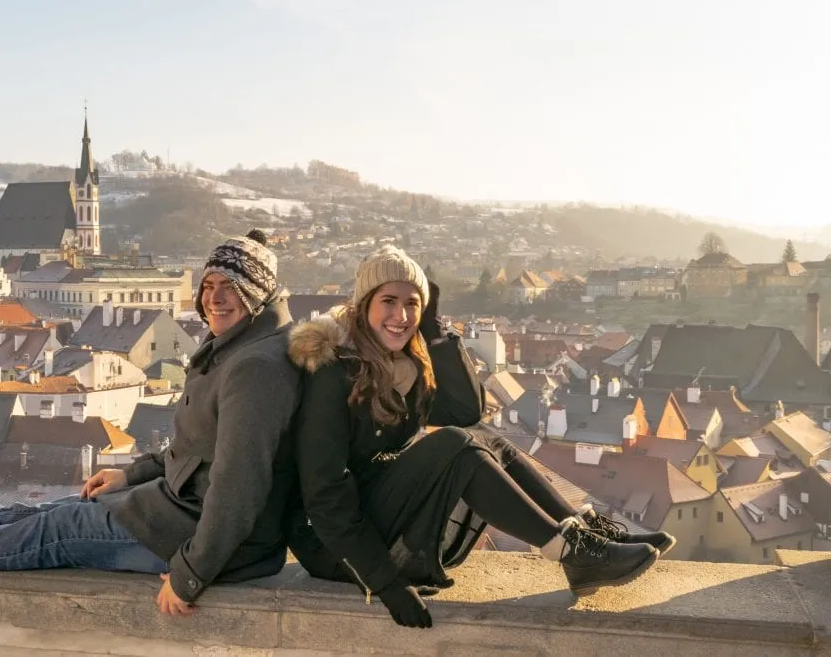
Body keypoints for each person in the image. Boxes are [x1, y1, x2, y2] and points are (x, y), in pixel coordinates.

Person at [0, 230, 303, 615]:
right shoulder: (241, 348)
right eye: (208, 285)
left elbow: (239, 485)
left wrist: (191, 575)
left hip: (199, 539)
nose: (215, 297)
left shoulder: (254, 368)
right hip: (179, 512)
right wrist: (129, 473)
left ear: (257, 293)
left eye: (231, 286)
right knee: (63, 510)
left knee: (54, 534)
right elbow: (198, 448)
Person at [285, 245, 674, 629]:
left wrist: (436, 333)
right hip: (335, 545)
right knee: (456, 445)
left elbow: (466, 413)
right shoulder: (332, 373)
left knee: (489, 439)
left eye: (413, 304)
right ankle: (566, 551)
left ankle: (585, 539)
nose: (401, 316)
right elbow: (324, 496)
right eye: (388, 300)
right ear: (363, 304)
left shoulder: (398, 366)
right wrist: (384, 582)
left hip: (375, 509)